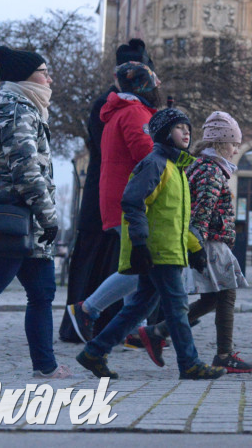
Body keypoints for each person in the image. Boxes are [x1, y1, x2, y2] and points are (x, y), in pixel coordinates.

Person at [77, 108, 225, 380]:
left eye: (187, 128)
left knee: (138, 308)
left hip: (169, 251)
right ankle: (189, 363)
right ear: (163, 133)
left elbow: (176, 220)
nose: (186, 132)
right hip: (158, 253)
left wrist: (195, 249)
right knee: (178, 308)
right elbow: (133, 203)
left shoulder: (177, 168)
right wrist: (140, 244)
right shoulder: (155, 163)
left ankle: (94, 352)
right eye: (179, 127)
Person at [0, 39, 70, 378]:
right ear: (25, 77)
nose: (49, 80)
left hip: (26, 222)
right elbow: (25, 168)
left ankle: (46, 367)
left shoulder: (21, 107)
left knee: (41, 293)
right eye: (44, 74)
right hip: (13, 219)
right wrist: (49, 215)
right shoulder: (17, 110)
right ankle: (46, 366)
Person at [137, 111, 252, 373]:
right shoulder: (211, 170)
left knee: (214, 298)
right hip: (211, 243)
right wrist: (197, 247)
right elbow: (201, 212)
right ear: (222, 143)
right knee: (226, 295)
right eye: (234, 144)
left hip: (209, 241)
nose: (236, 151)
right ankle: (223, 354)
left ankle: (158, 331)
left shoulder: (203, 165)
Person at [61, 39, 155, 342]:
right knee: (136, 267)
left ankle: (126, 328)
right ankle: (93, 313)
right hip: (122, 194)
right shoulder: (126, 109)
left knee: (132, 264)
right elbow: (143, 153)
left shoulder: (114, 104)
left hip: (111, 191)